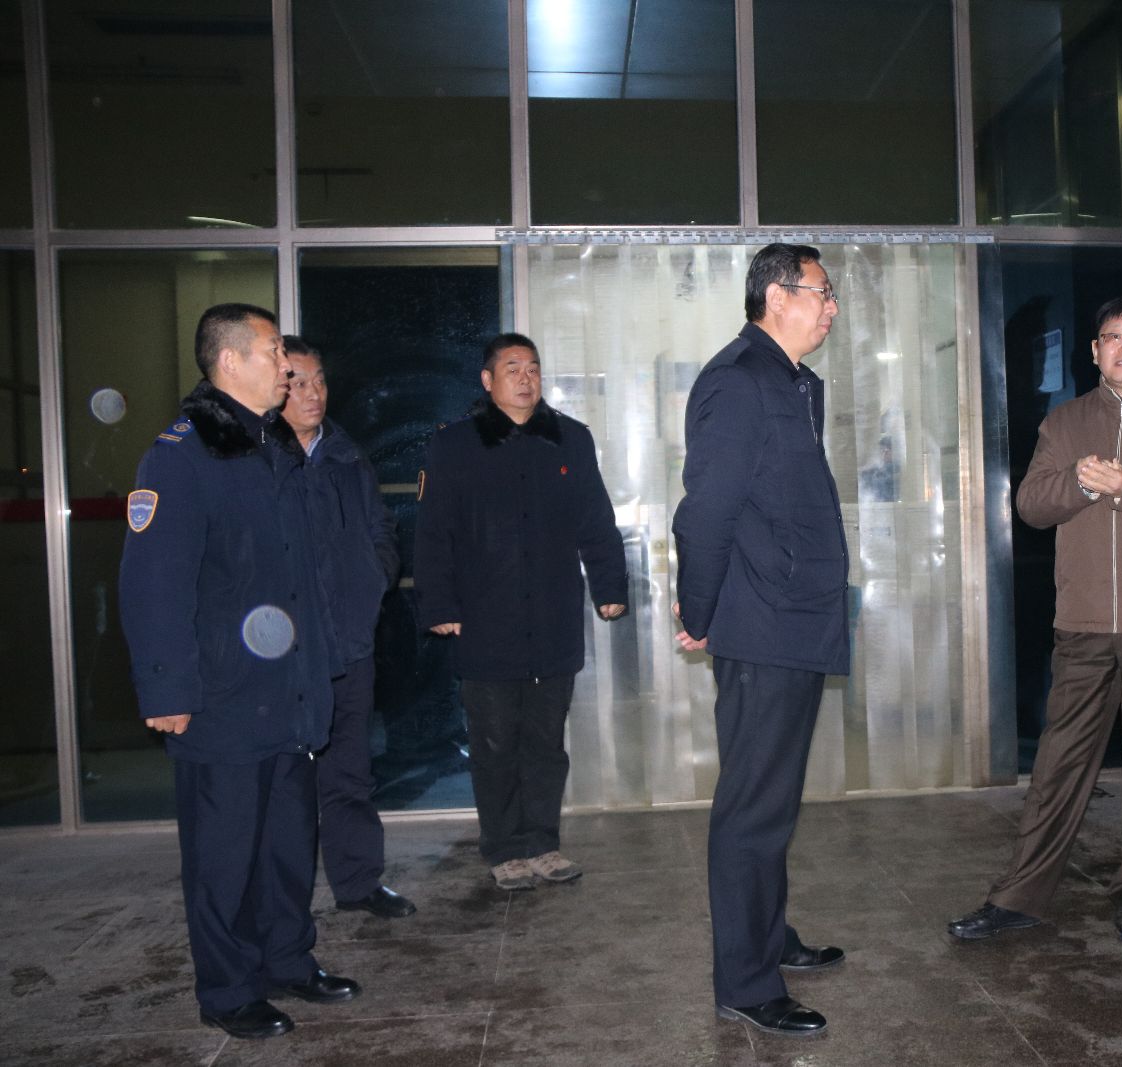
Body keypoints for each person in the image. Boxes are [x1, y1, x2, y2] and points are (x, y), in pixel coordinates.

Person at [119, 303, 360, 1040]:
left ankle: (287, 958)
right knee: (223, 857)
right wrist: (166, 688)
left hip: (288, 692)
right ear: (230, 362)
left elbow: (299, 576)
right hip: (222, 697)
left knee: (287, 844)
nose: (287, 365)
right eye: (273, 351)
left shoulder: (273, 446)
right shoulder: (183, 453)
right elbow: (155, 582)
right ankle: (227, 989)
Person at [947, 296, 1122, 945]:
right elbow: (1032, 504)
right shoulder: (1064, 421)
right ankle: (1019, 896)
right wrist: (1083, 485)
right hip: (1082, 620)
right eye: (1115, 337)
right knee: (1059, 762)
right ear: (1094, 350)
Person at [672, 243, 850, 1039]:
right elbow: (706, 509)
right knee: (752, 809)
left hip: (794, 616)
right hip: (763, 620)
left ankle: (768, 937)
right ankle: (747, 981)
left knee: (773, 803)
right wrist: (699, 609)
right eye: (822, 292)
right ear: (777, 296)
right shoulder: (739, 380)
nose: (831, 307)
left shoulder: (790, 380)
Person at [412, 332, 627, 891]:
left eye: (533, 368)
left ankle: (543, 844)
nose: (526, 379)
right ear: (488, 381)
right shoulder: (455, 445)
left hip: (553, 619)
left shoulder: (570, 439)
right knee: (495, 744)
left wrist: (610, 586)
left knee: (546, 743)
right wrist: (438, 603)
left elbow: (596, 521)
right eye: (512, 369)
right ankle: (505, 848)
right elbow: (433, 532)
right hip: (486, 620)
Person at [278, 336, 414, 920]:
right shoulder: (255, 456)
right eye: (298, 382)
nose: (313, 394)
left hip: (349, 643)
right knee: (284, 781)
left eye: (320, 381)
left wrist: (374, 578)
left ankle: (359, 883)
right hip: (285, 653)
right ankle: (282, 900)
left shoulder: (345, 453)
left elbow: (380, 528)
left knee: (350, 772)